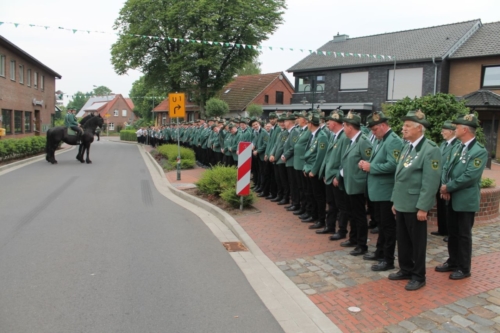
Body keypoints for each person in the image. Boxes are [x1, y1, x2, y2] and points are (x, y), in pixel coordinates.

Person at [389, 110, 441, 291]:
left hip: (415, 204)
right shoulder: (407, 147)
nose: (403, 129)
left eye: (407, 126)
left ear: (419, 128)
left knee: (417, 242)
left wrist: (423, 208)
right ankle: (405, 269)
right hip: (402, 202)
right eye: (403, 126)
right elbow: (399, 177)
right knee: (402, 239)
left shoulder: (430, 150)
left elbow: (431, 181)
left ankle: (419, 276)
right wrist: (395, 201)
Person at [437, 114, 487, 280]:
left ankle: (464, 268)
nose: (454, 129)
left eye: (457, 127)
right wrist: (445, 186)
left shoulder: (478, 151)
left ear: (465, 129)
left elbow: (470, 176)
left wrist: (448, 187)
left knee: (464, 235)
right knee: (452, 232)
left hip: (465, 200)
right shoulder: (457, 147)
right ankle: (453, 261)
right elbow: (445, 168)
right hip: (451, 197)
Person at [359, 111, 403, 271]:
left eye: (374, 129)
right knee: (382, 225)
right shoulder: (381, 139)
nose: (373, 132)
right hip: (378, 191)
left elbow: (393, 165)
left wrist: (372, 167)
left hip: (386, 191)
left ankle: (388, 259)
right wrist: (367, 164)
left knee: (388, 227)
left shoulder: (393, 141)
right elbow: (378, 159)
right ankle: (380, 251)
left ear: (383, 126)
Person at [338, 111, 372, 256]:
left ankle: (361, 244)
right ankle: (353, 238)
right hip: (348, 184)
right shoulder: (351, 141)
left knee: (359, 216)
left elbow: (369, 162)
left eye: (344, 126)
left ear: (350, 127)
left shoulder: (363, 141)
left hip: (357, 186)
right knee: (351, 214)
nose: (343, 129)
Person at [432, 120, 459, 242]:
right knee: (441, 206)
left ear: (451, 132)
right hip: (439, 179)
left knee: (448, 208)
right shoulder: (443, 144)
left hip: (448, 181)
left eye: (444, 130)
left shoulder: (456, 145)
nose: (442, 132)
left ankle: (450, 232)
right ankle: (442, 229)